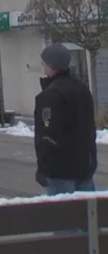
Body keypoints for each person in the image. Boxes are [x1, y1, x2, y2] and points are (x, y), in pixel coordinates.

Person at [34, 43, 97, 195]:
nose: (43, 66)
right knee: (87, 216)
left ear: (52, 65)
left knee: (64, 217)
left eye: (44, 62)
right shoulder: (82, 90)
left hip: (59, 172)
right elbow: (89, 130)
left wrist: (44, 169)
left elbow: (46, 134)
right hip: (84, 168)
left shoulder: (50, 96)